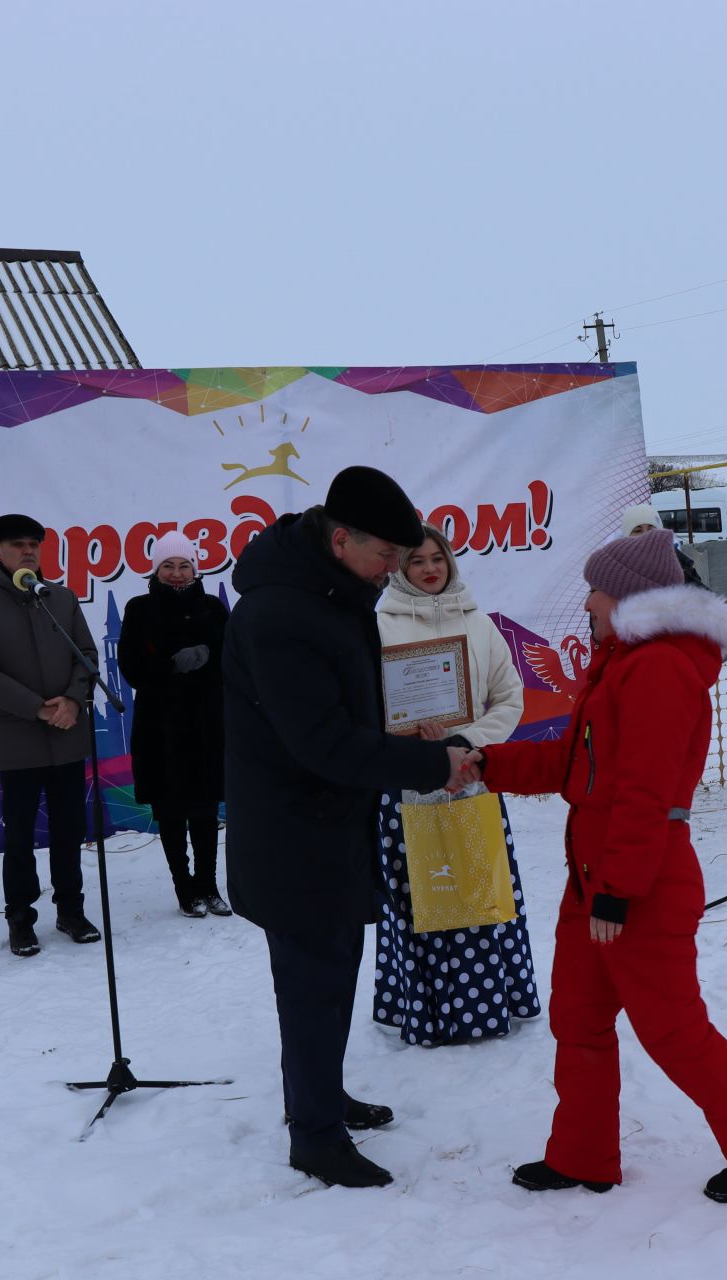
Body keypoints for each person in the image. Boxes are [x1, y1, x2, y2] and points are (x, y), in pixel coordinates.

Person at [470, 528, 727, 1205]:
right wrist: (484, 765)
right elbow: (573, 765)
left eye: (594, 587)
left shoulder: (657, 669)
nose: (587, 600)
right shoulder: (622, 662)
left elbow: (646, 796)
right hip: (594, 878)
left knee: (674, 1031)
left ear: (625, 595)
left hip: (638, 885)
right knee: (578, 1021)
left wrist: (618, 893)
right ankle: (582, 1155)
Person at [221, 467, 475, 1190]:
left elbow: (340, 714)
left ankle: (320, 1098)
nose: (395, 571)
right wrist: (431, 762)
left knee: (331, 980)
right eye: (388, 557)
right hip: (294, 836)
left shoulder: (332, 594)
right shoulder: (280, 615)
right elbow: (321, 742)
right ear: (341, 539)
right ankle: (316, 1139)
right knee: (311, 985)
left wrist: (399, 730)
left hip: (331, 822)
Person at [371, 524, 539, 1045]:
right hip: (406, 782)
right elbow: (366, 708)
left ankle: (490, 1001)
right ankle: (427, 1011)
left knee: (478, 891)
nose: (429, 569)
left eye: (437, 558)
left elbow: (511, 697)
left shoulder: (479, 622)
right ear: (399, 568)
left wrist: (467, 745)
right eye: (417, 560)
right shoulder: (377, 625)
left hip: (470, 776)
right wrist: (407, 745)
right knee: (425, 894)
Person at [0, 513, 102, 958]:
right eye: (18, 544)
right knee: (20, 835)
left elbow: (88, 654)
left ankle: (71, 911)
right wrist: (37, 707)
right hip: (16, 738)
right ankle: (21, 919)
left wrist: (73, 701)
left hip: (67, 734)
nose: (29, 552)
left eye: (35, 544)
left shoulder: (60, 597)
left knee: (69, 830)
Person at [119, 530, 229, 917]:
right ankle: (184, 888)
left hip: (205, 725)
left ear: (195, 569)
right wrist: (170, 665)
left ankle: (210, 885)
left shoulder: (214, 608)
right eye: (169, 565)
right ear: (156, 569)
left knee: (204, 810)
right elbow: (131, 666)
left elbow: (231, 659)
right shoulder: (139, 608)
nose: (177, 573)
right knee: (171, 811)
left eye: (184, 565)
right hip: (160, 729)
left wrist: (207, 655)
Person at [622, 501, 703, 586]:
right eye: (638, 531)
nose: (646, 535)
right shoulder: (617, 570)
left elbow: (701, 594)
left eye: (651, 529)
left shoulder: (680, 564)